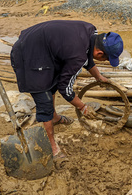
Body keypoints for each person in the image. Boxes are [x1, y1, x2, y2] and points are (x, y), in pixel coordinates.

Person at [10, 20, 124, 158]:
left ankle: (54, 118)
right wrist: (83, 107)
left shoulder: (90, 31)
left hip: (41, 48)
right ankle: (52, 147)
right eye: (106, 59)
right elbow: (65, 88)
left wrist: (98, 77)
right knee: (43, 97)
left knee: (52, 82)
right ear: (100, 53)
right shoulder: (78, 55)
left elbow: (87, 58)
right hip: (27, 54)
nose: (104, 61)